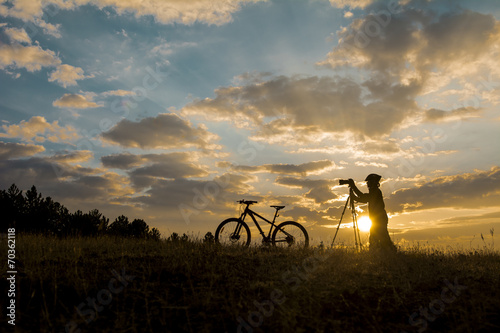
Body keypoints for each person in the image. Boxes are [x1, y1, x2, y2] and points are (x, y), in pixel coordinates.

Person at [348, 174, 396, 252]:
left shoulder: (375, 191)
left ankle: (385, 252)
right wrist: (354, 191)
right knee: (380, 238)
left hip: (379, 219)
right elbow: (363, 197)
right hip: (377, 219)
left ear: (373, 182)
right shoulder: (374, 191)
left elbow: (364, 198)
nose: (367, 184)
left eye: (369, 182)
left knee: (380, 238)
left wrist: (354, 188)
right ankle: (385, 252)